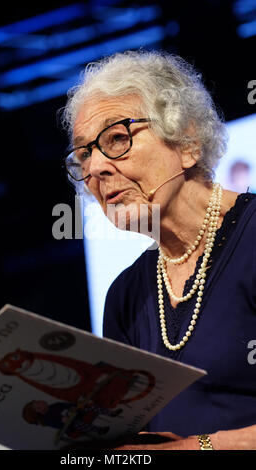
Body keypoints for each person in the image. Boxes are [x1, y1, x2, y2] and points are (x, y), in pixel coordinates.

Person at [61, 50, 256, 450]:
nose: (95, 168)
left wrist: (194, 448)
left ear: (188, 142)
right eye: (83, 154)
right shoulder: (125, 296)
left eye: (117, 138)